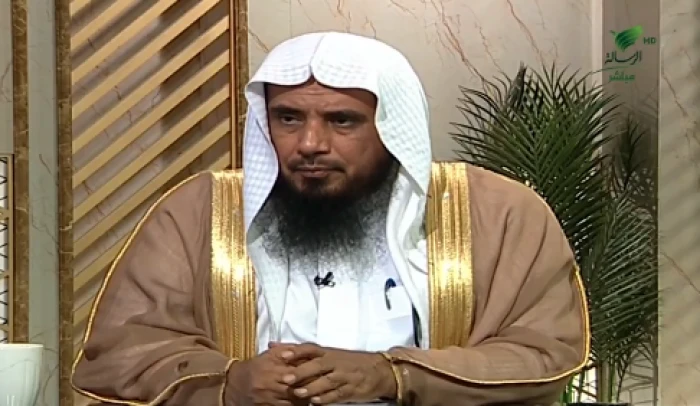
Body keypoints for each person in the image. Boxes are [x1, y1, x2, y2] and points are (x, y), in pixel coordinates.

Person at [71, 32, 589, 406]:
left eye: (342, 121)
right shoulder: (198, 214)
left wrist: (393, 376)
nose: (310, 144)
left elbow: (543, 353)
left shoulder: (497, 213)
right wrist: (229, 384)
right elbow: (121, 353)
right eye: (288, 118)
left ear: (392, 126)